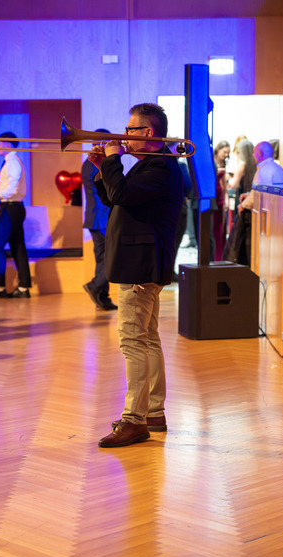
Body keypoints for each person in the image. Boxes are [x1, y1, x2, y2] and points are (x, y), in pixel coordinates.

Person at [88, 103, 184, 448]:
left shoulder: (161, 167)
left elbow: (121, 193)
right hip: (141, 262)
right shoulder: (153, 165)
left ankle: (134, 420)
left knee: (132, 342)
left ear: (147, 132)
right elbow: (115, 199)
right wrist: (102, 168)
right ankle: (153, 412)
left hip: (140, 265)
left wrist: (113, 160)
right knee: (147, 339)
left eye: (130, 129)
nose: (123, 134)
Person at [0, 132, 31, 299]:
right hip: (12, 208)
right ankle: (23, 288)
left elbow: (12, 185)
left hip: (10, 208)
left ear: (7, 144)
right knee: (18, 247)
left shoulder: (13, 162)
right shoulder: (12, 161)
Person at [224, 141, 283, 266]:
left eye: (254, 152)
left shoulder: (263, 171)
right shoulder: (278, 169)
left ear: (260, 154)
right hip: (276, 218)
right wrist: (248, 194)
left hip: (264, 220)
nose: (253, 155)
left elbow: (256, 197)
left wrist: (242, 205)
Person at [82, 129, 117, 311]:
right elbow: (109, 189)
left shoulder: (87, 163)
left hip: (96, 217)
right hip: (100, 217)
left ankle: (102, 298)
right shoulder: (95, 164)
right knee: (112, 258)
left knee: (103, 259)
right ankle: (95, 286)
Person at [213, 140, 230, 260]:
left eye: (228, 153)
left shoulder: (223, 162)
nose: (226, 155)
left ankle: (220, 256)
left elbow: (224, 184)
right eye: (224, 152)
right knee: (214, 227)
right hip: (213, 196)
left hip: (220, 198)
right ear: (218, 149)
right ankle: (214, 254)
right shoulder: (211, 160)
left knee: (220, 227)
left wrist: (226, 198)